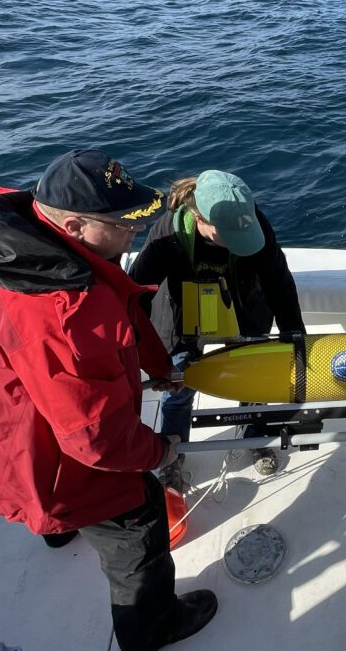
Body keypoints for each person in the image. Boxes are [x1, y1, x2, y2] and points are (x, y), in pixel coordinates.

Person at [0, 149, 217, 651]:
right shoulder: (62, 311)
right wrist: (160, 452)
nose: (135, 233)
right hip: (29, 462)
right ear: (78, 227)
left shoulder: (20, 249)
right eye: (124, 224)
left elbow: (116, 306)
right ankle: (153, 628)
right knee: (140, 519)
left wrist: (157, 367)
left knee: (67, 503)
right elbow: (97, 440)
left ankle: (60, 532)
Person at [129, 169, 305, 488]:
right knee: (178, 388)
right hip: (184, 321)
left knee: (255, 378)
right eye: (226, 235)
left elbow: (278, 280)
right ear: (199, 217)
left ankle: (255, 438)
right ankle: (173, 453)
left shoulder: (255, 224)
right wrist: (140, 350)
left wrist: (295, 335)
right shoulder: (167, 235)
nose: (237, 245)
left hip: (244, 312)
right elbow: (137, 291)